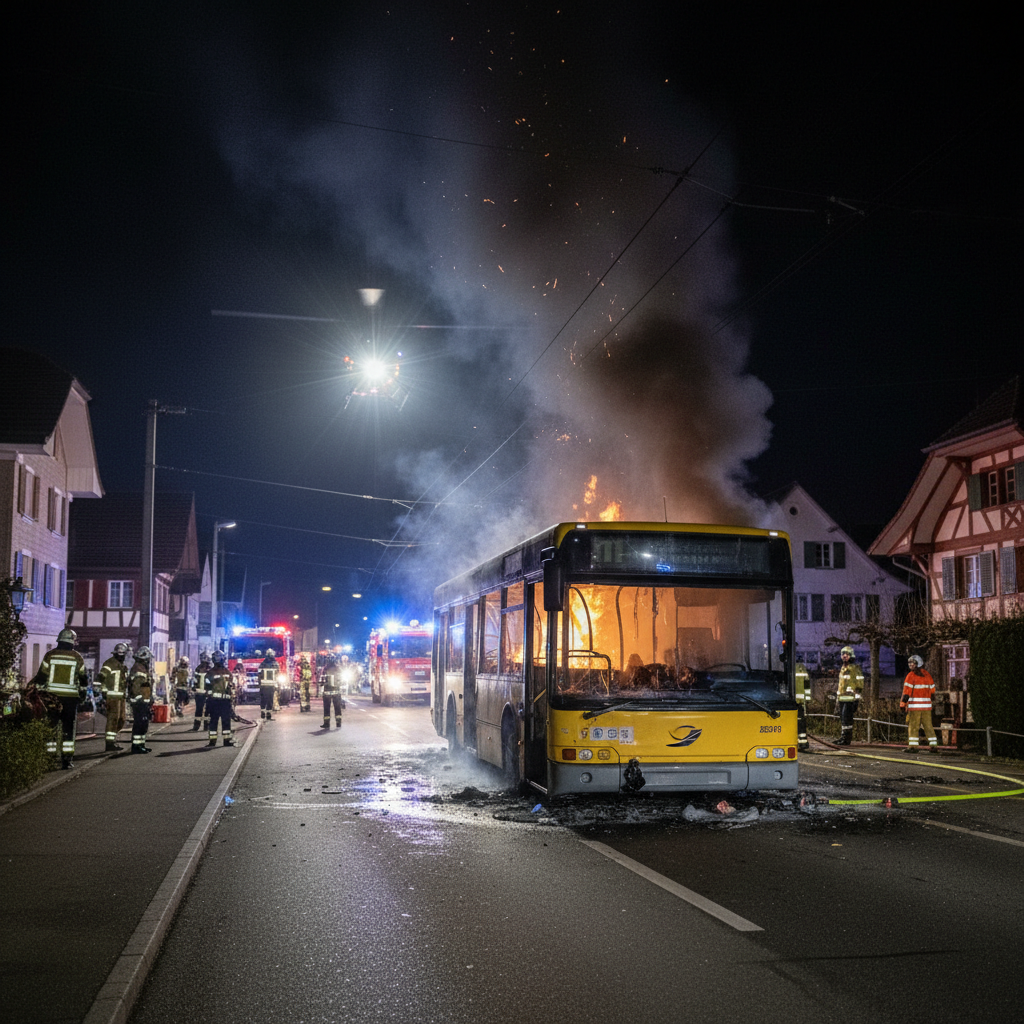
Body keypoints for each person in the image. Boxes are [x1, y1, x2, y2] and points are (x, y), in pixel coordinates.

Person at [30, 627, 88, 768]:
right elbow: (83, 680)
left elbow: (41, 676)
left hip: (51, 699)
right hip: (70, 700)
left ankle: (49, 760)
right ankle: (66, 760)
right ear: (72, 642)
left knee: (51, 728)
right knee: (68, 729)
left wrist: (33, 688)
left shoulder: (50, 655)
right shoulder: (77, 657)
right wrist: (82, 697)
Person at [97, 642, 131, 751]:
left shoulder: (122, 667)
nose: (123, 657)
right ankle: (110, 743)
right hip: (112, 697)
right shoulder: (109, 664)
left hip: (121, 697)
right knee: (113, 719)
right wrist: (104, 692)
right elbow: (101, 677)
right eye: (122, 655)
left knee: (121, 719)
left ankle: (112, 738)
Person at [901, 654, 938, 752]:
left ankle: (913, 747)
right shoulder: (927, 675)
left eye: (912, 662)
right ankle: (933, 745)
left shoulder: (911, 676)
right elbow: (933, 690)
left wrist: (903, 704)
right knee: (928, 726)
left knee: (913, 726)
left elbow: (906, 693)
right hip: (927, 707)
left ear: (917, 664)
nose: (910, 664)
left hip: (915, 707)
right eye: (909, 663)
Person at [128, 646, 156, 754]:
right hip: (139, 703)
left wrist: (149, 699)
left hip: (144, 702)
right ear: (144, 658)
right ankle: (136, 746)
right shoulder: (138, 669)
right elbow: (136, 688)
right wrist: (142, 701)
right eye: (148, 659)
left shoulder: (142, 668)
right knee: (139, 724)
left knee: (143, 724)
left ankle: (141, 744)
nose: (149, 661)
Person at [205, 649, 235, 746]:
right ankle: (226, 741)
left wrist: (208, 701)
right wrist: (232, 700)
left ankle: (212, 741)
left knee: (213, 721)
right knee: (226, 721)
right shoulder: (227, 672)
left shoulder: (210, 673)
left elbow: (207, 688)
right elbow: (231, 687)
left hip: (214, 701)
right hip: (225, 702)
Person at [836, 645, 863, 746]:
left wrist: (856, 697)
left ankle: (846, 739)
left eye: (846, 654)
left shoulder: (855, 668)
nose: (844, 656)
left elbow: (860, 683)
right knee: (843, 719)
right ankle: (843, 737)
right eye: (843, 654)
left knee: (847, 719)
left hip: (850, 698)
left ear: (851, 656)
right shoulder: (843, 668)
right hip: (842, 698)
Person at [321, 657, 345, 729]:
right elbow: (342, 680)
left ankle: (326, 723)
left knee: (327, 708)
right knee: (337, 708)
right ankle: (338, 723)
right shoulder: (338, 669)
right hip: (336, 692)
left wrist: (322, 684)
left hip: (327, 693)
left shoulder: (325, 669)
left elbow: (321, 680)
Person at [192, 650, 212, 731]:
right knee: (200, 710)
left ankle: (204, 726)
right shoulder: (199, 669)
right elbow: (195, 680)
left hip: (204, 693)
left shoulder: (207, 669)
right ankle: (198, 726)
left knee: (206, 710)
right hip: (201, 693)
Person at [258, 648, 279, 721]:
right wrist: (277, 685)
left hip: (263, 685)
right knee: (270, 700)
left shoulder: (262, 664)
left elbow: (259, 674)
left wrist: (259, 684)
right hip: (271, 685)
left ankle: (263, 713)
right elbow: (277, 675)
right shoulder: (275, 664)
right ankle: (269, 715)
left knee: (263, 699)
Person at [794, 661, 810, 752]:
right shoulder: (801, 667)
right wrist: (807, 699)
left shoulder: (785, 665)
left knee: (798, 722)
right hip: (800, 701)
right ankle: (803, 743)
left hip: (789, 701)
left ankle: (801, 742)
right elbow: (807, 684)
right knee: (801, 722)